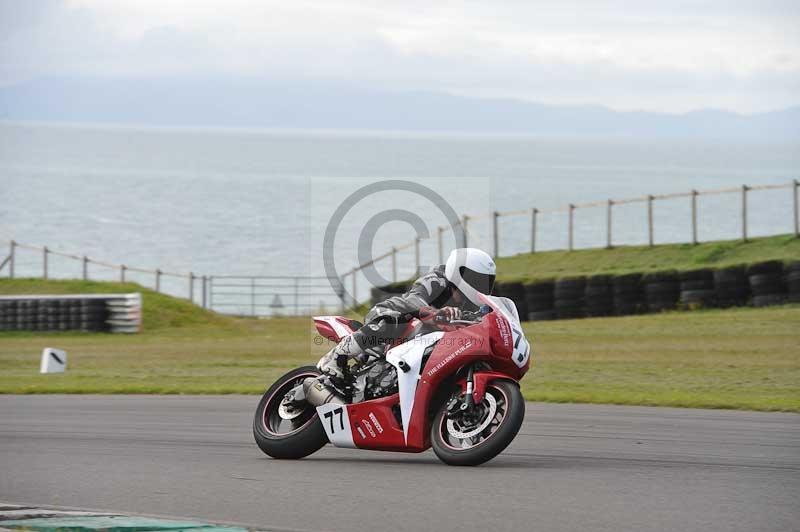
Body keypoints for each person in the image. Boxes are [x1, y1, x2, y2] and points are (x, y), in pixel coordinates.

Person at [317, 247, 496, 378]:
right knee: (391, 322)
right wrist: (435, 313)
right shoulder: (436, 280)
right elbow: (414, 299)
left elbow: (486, 320)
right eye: (477, 280)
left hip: (422, 344)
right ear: (460, 273)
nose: (481, 286)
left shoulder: (471, 304)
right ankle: (336, 356)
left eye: (486, 282)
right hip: (392, 316)